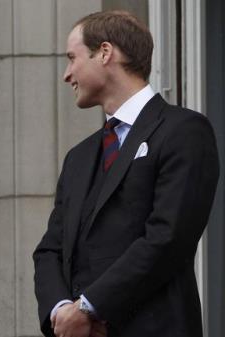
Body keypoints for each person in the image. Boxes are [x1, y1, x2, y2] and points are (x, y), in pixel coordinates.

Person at [33, 10, 219, 337]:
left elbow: (168, 236)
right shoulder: (78, 157)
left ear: (105, 52)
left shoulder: (184, 131)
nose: (67, 74)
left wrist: (90, 307)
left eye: (72, 58)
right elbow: (50, 250)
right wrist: (62, 310)